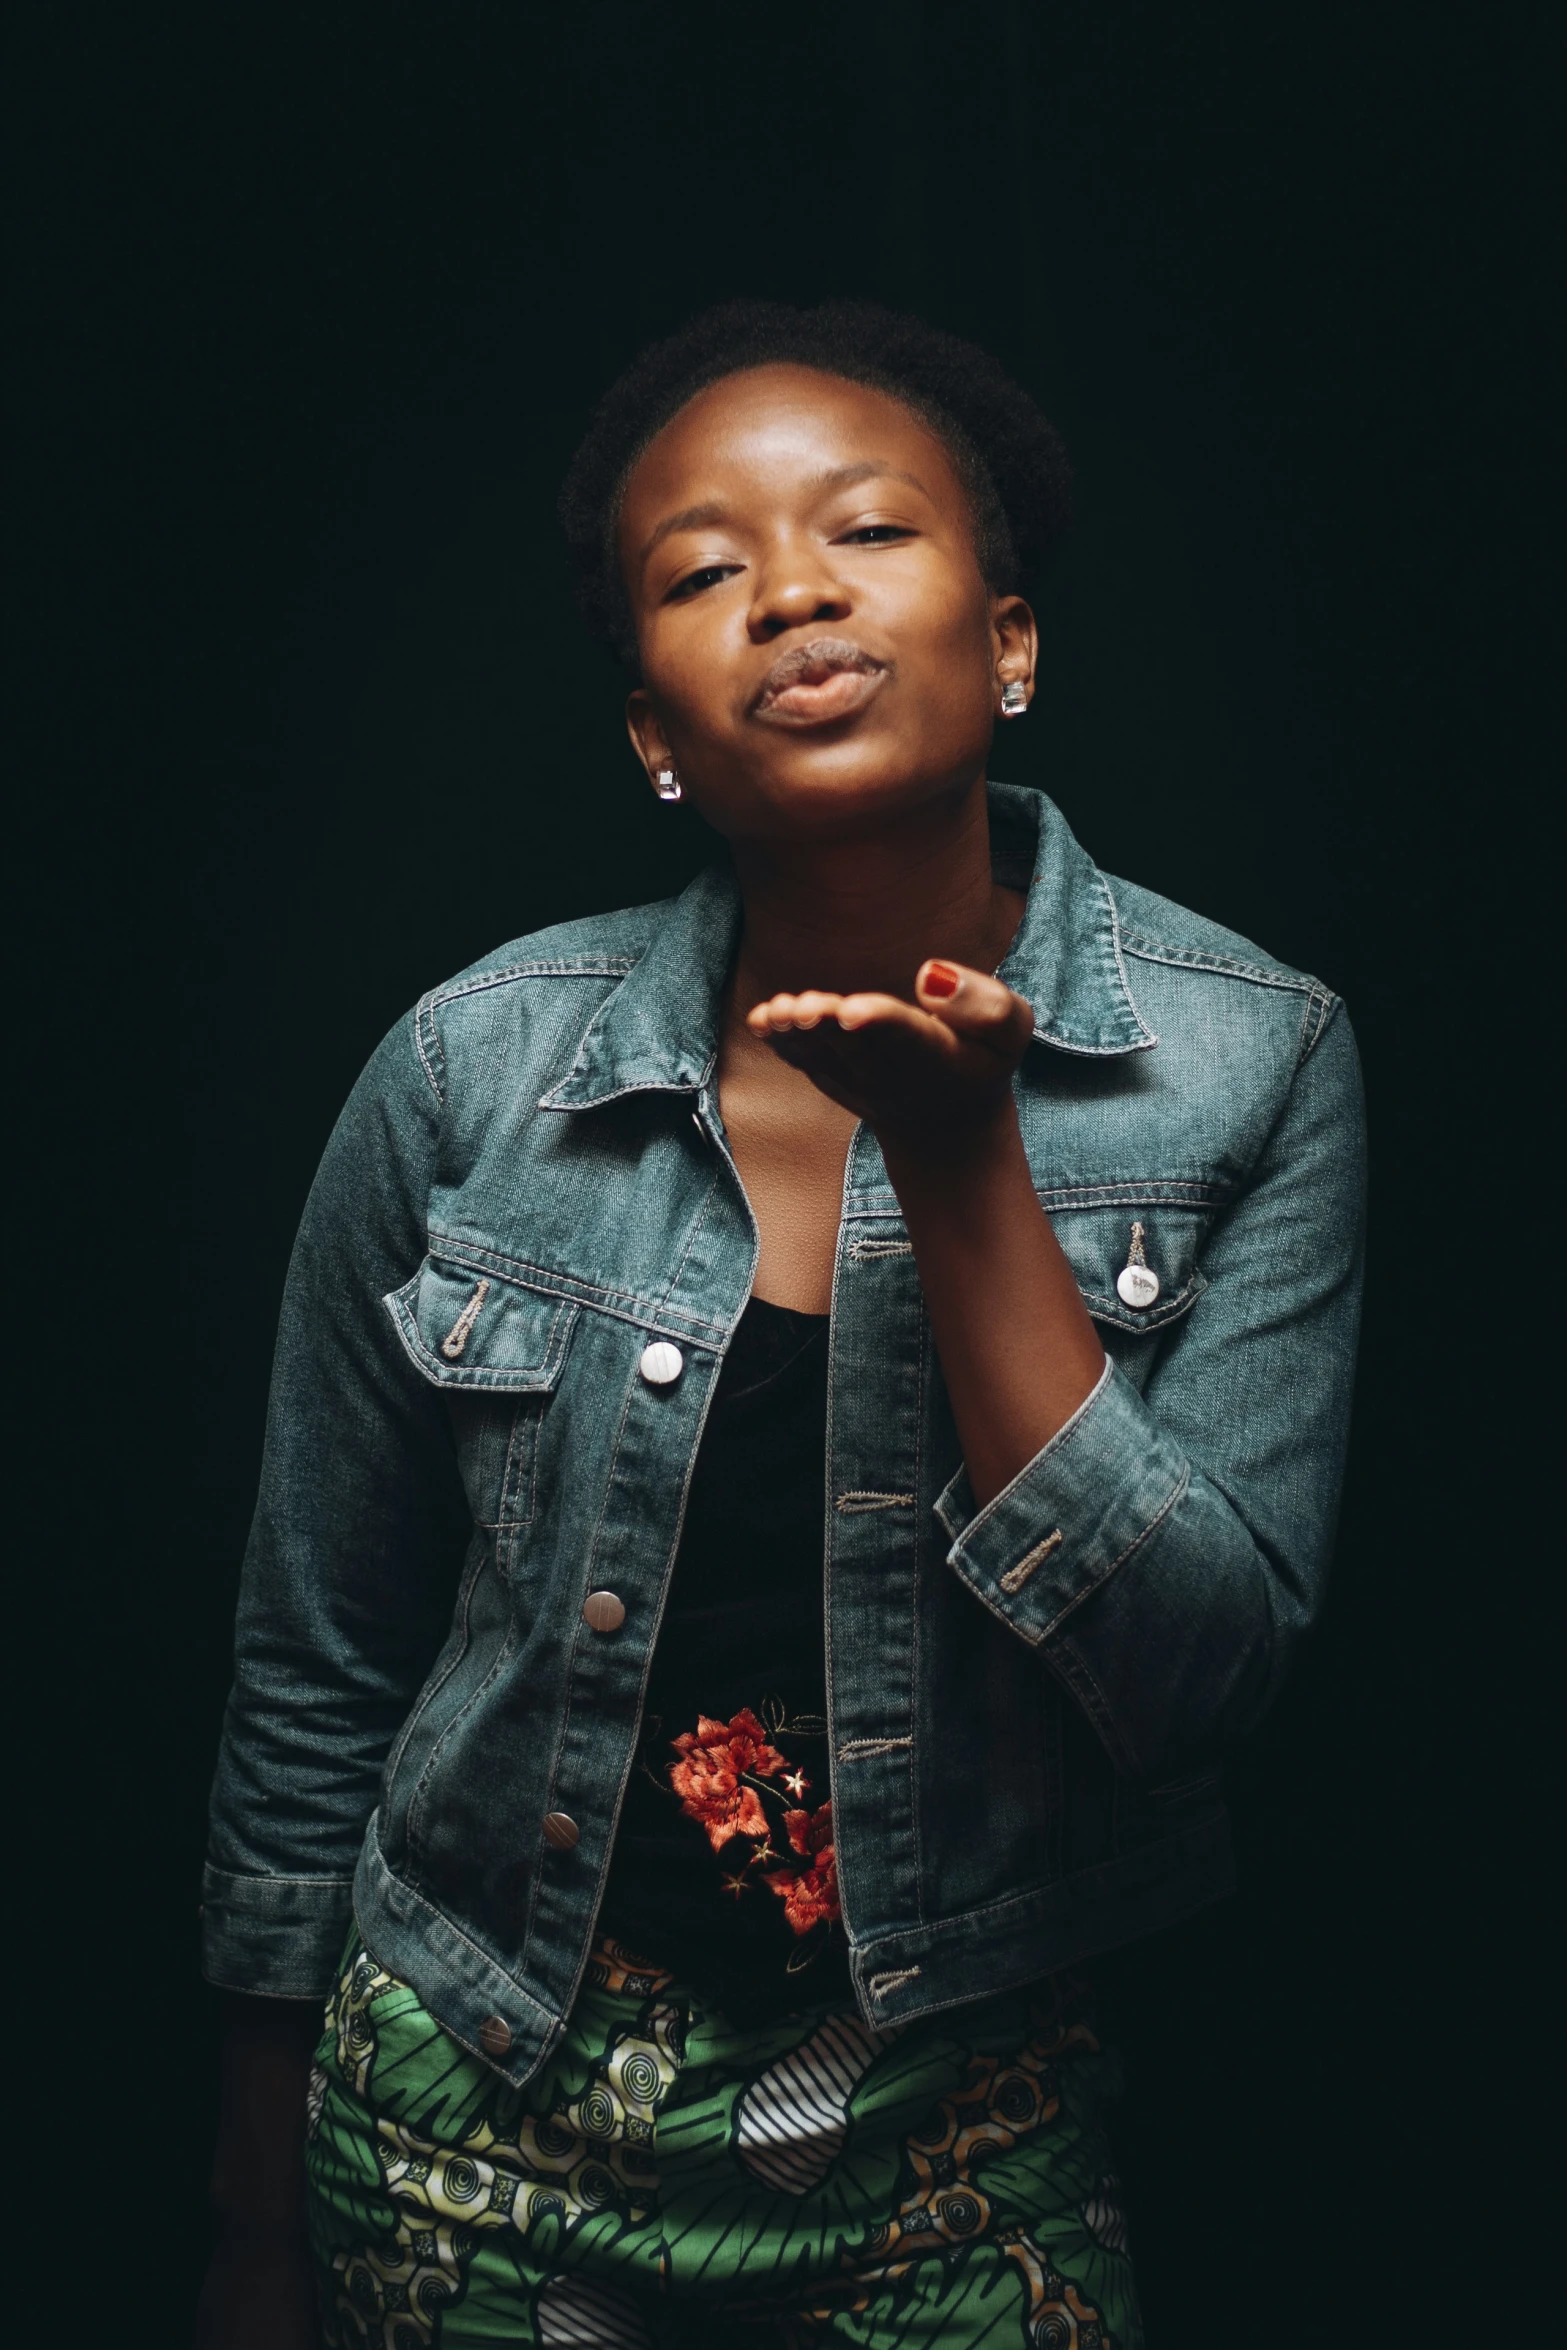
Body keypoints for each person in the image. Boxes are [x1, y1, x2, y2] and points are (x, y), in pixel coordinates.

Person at [196, 299, 1365, 2349]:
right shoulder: (472, 1070)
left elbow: (1197, 1681)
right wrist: (252, 2229)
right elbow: (319, 1663)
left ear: (1009, 639)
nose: (793, 591)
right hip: (464, 2120)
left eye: (864, 532)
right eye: (702, 570)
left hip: (957, 2149)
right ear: (652, 729)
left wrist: (966, 1159)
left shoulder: (1253, 1062)